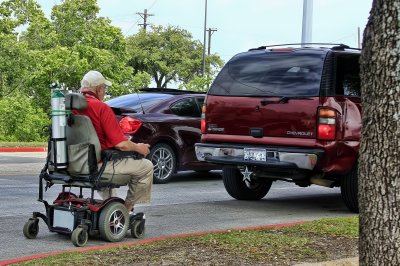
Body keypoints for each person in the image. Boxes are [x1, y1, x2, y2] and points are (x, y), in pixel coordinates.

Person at [76, 70, 153, 213]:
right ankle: (126, 210)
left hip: (72, 164)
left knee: (111, 162)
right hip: (97, 165)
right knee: (146, 166)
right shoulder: (101, 107)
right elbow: (121, 144)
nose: (105, 92)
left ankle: (110, 208)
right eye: (104, 88)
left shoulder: (69, 108)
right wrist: (138, 148)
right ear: (98, 89)